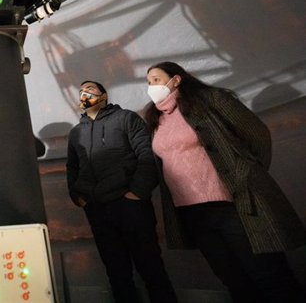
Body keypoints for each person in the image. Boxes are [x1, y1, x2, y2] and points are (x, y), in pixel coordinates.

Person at [144, 61, 306, 302]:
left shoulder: (211, 100)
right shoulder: (155, 118)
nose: (151, 86)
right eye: (148, 82)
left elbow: (257, 135)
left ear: (176, 79)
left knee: (268, 274)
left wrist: (245, 175)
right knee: (232, 278)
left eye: (156, 79)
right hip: (192, 212)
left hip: (232, 205)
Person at [66, 80, 177, 303]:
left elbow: (147, 154)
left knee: (150, 267)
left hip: (130, 204)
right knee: (116, 272)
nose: (84, 95)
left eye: (90, 90)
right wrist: (78, 196)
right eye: (81, 92)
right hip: (97, 209)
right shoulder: (76, 132)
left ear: (104, 96)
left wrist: (137, 192)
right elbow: (72, 166)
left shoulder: (127, 118)